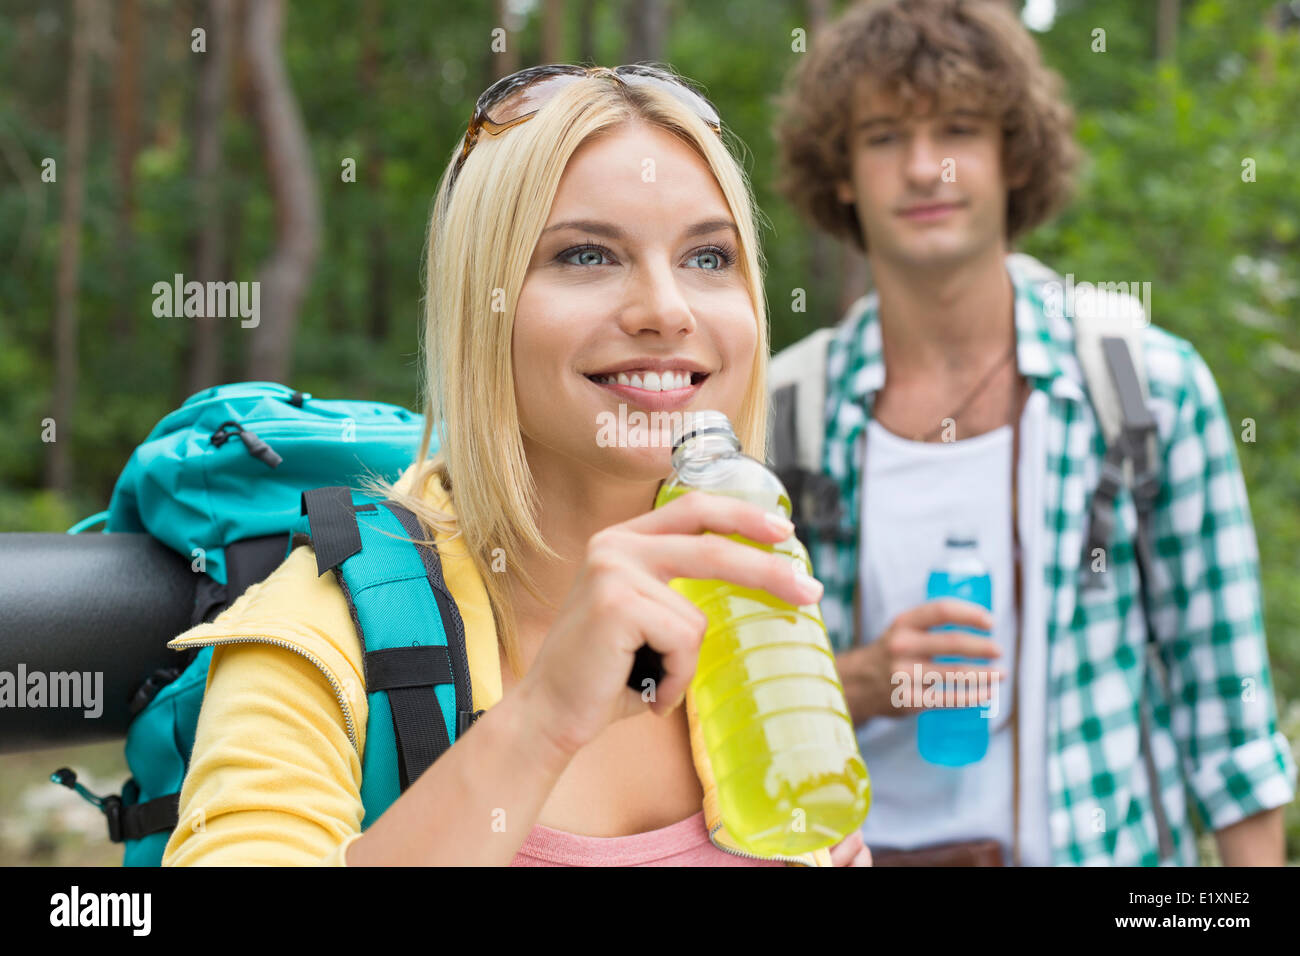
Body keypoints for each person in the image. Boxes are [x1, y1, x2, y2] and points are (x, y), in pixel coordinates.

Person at [161, 63, 870, 867]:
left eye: (708, 258)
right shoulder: (320, 632)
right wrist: (541, 720)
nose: (667, 311)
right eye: (588, 256)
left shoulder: (753, 589)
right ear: (482, 301)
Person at [771, 0, 1295, 865]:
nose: (924, 167)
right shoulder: (788, 411)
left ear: (1014, 155)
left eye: (959, 128)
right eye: (883, 137)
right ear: (839, 172)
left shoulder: (1143, 388)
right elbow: (715, 714)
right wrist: (858, 680)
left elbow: (1229, 720)